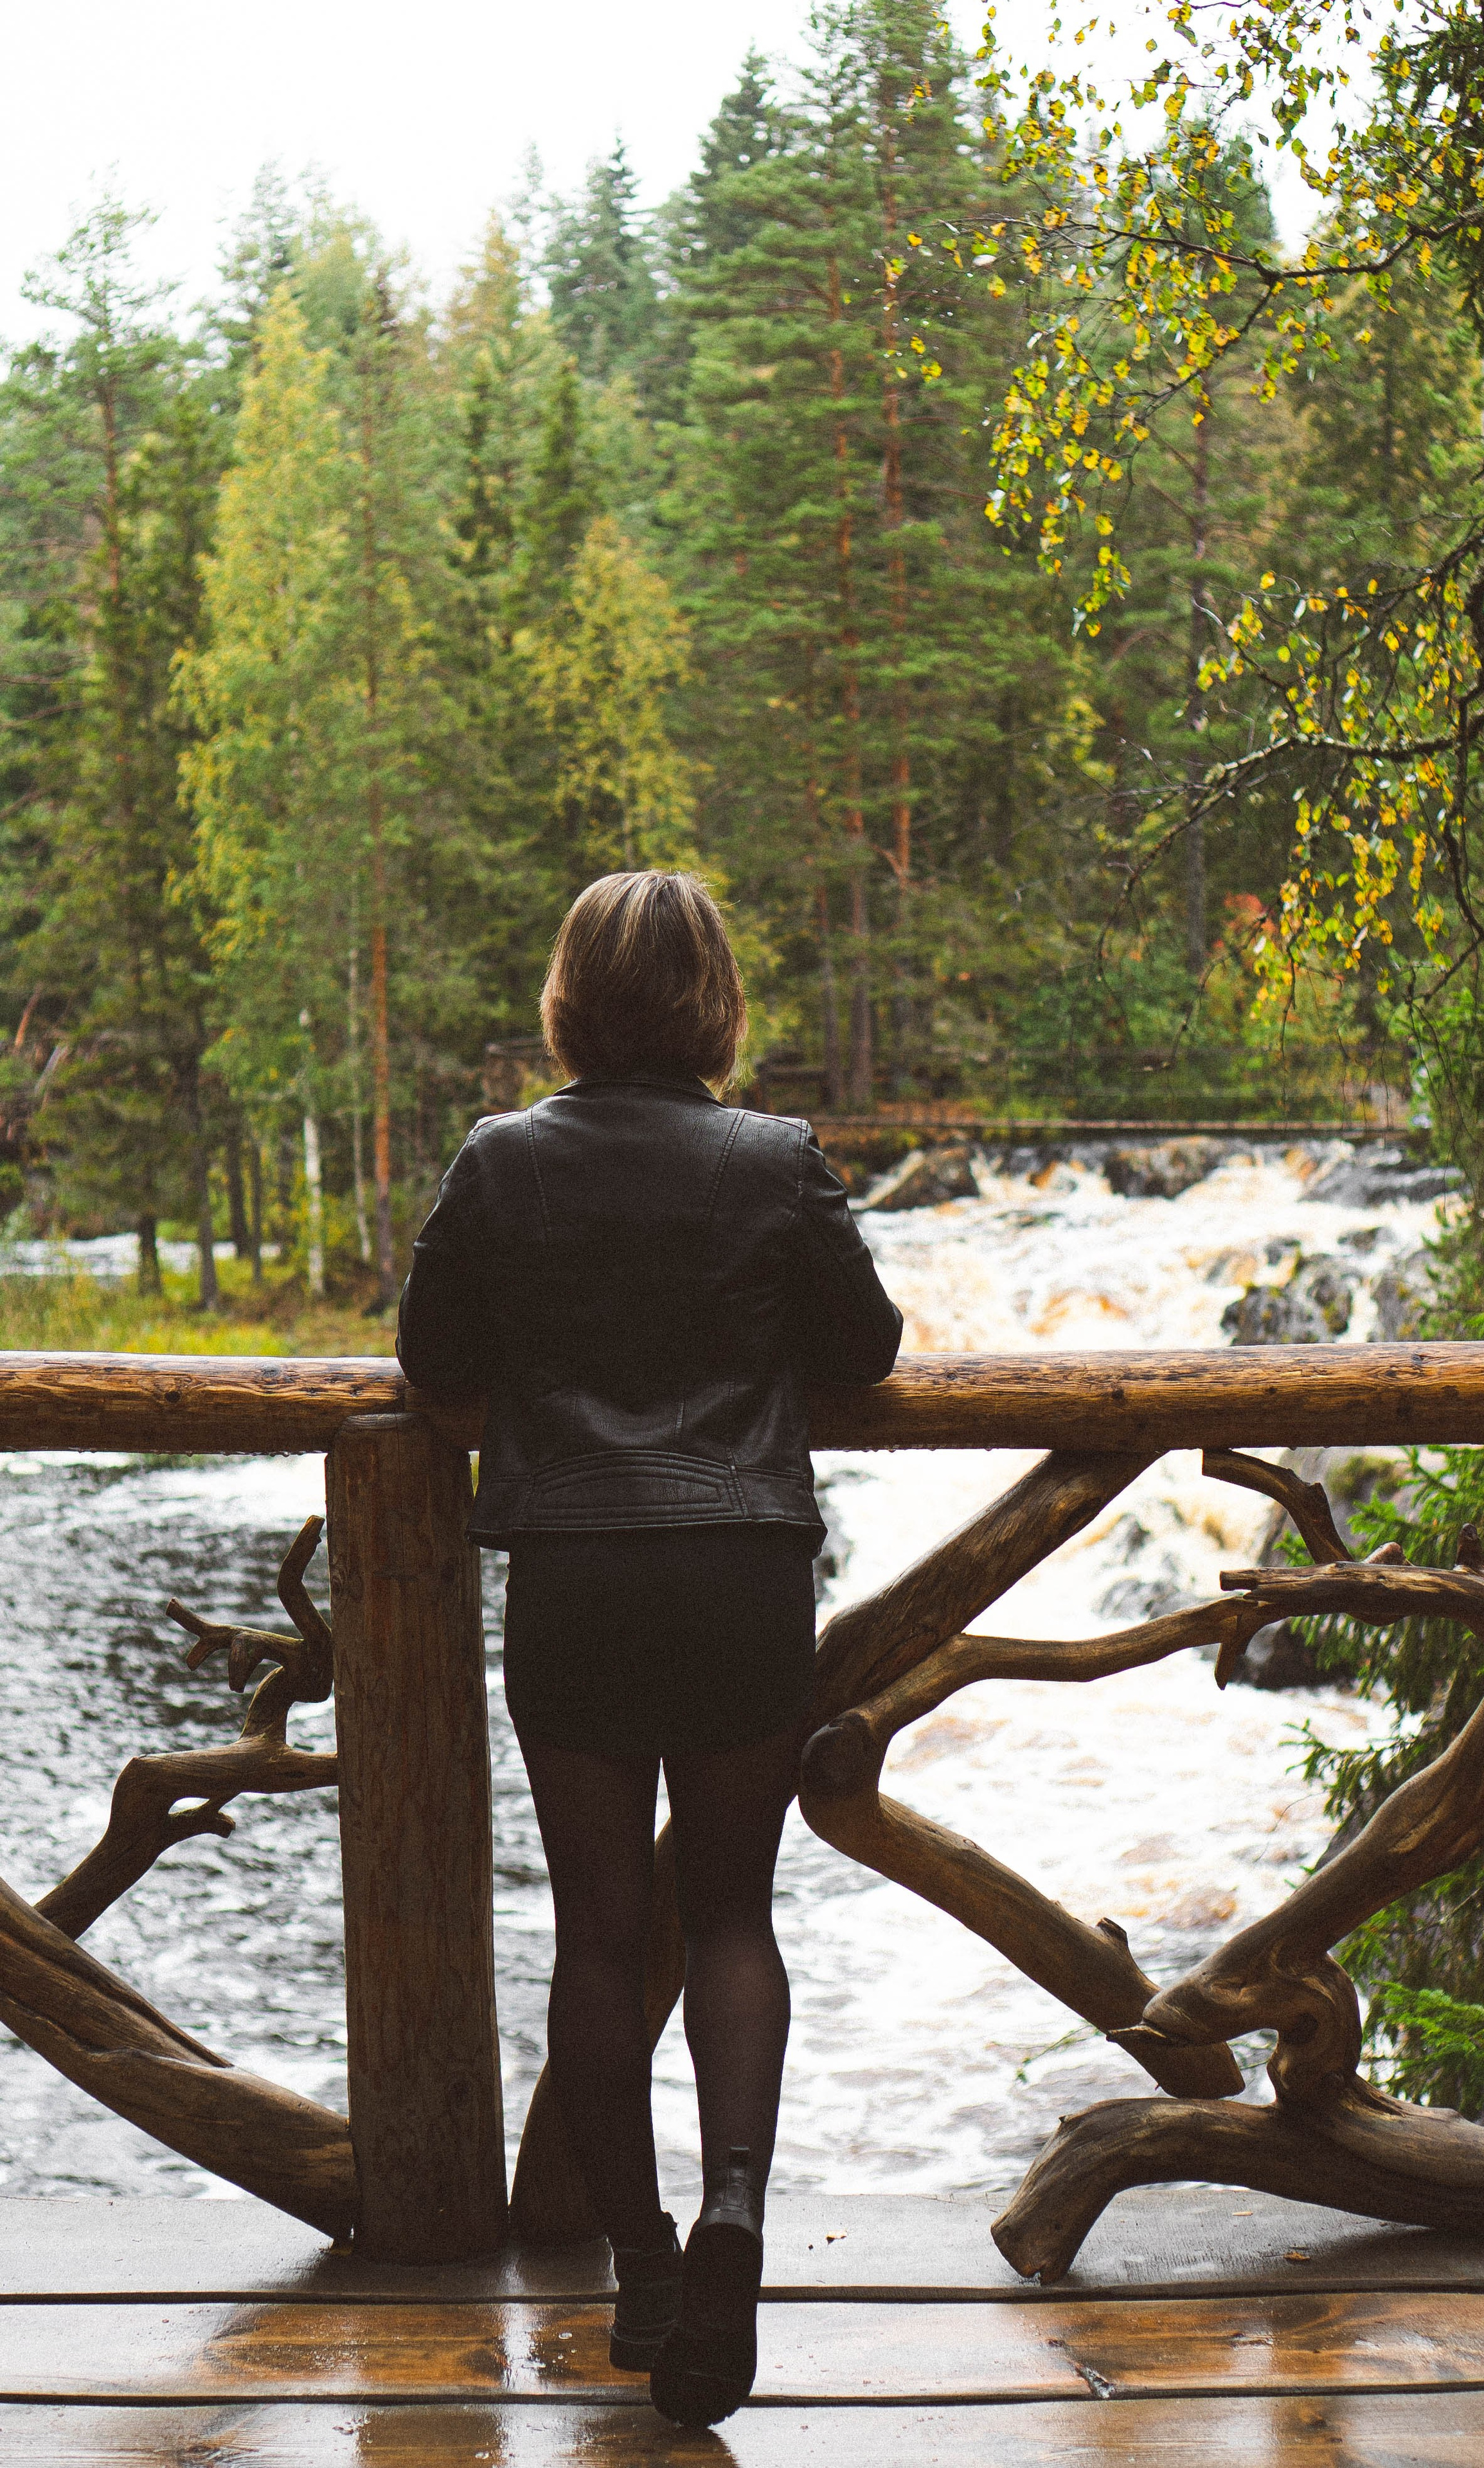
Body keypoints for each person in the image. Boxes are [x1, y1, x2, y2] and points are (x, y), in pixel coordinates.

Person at [396, 870, 902, 2426]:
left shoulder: (500, 1163)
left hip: (575, 1579)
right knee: (734, 1916)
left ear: (565, 1002)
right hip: (738, 1565)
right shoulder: (774, 1160)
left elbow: (431, 1366)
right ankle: (740, 2213)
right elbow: (865, 1351)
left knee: (603, 1932)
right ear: (711, 1003)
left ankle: (642, 2262)